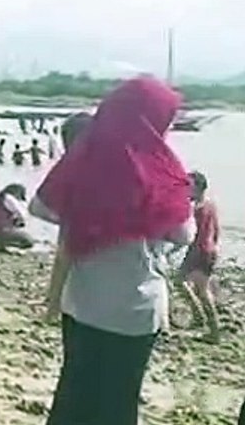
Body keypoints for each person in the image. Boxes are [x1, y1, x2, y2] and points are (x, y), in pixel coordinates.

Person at [29, 76, 196, 425]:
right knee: (119, 401)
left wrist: (87, 212)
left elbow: (40, 208)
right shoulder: (162, 171)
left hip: (83, 305)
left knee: (74, 393)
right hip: (136, 310)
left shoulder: (85, 162)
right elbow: (184, 234)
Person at [41, 113, 93, 323]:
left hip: (84, 291)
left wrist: (53, 304)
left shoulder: (72, 171)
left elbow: (39, 206)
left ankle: (54, 305)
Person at [178, 170, 221, 342]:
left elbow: (192, 235)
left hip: (200, 251)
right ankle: (200, 318)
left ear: (199, 188)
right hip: (208, 250)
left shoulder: (196, 208)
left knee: (201, 291)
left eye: (190, 186)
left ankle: (213, 331)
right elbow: (216, 230)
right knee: (184, 283)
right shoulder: (210, 204)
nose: (187, 190)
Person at [0, 184, 35, 251]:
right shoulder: (8, 198)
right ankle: (9, 246)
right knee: (29, 241)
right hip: (1, 230)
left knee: (9, 228)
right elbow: (23, 214)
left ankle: (1, 244)